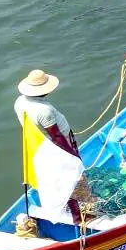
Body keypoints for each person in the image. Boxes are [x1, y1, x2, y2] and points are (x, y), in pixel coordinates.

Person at [13, 69, 85, 223]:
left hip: (39, 146)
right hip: (56, 146)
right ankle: (77, 215)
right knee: (72, 175)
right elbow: (57, 136)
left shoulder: (20, 102)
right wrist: (71, 153)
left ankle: (66, 205)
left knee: (57, 177)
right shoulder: (45, 111)